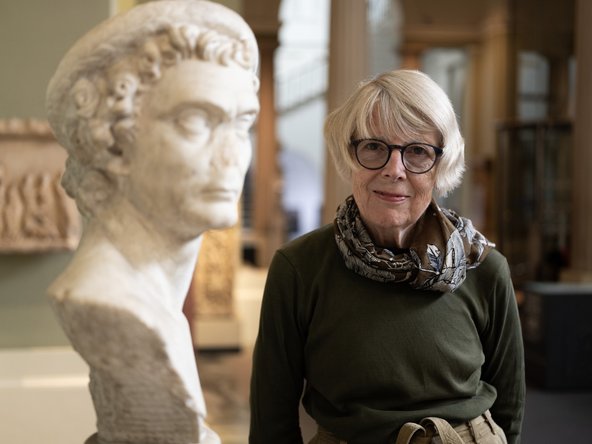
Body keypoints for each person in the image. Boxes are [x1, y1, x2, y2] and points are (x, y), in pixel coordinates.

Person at [249, 69, 525, 444]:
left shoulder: (486, 270)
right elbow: (271, 421)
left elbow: (510, 410)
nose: (394, 170)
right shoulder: (300, 268)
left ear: (439, 166)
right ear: (350, 156)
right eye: (375, 147)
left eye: (417, 152)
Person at [45, 1, 259, 443]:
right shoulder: (105, 301)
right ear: (116, 140)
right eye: (196, 119)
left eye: (242, 124)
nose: (233, 155)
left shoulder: (156, 301)